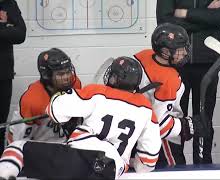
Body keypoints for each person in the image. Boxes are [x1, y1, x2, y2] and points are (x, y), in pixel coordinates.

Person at [0, 56, 162, 179]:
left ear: (112, 77)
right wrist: (131, 161)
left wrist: (71, 118)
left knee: (18, 147)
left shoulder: (96, 92)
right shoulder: (147, 110)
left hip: (78, 158)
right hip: (110, 170)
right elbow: (147, 164)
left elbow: (55, 110)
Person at [156, 0, 220, 164]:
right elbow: (164, 22)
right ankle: (175, 164)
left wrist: (184, 13)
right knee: (174, 118)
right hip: (176, 64)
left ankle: (203, 164)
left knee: (204, 119)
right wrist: (206, 20)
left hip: (208, 64)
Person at [134, 23, 204, 168]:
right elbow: (159, 125)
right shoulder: (169, 80)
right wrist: (187, 126)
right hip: (160, 140)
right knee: (175, 168)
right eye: (180, 50)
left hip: (136, 131)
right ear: (165, 52)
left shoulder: (143, 55)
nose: (185, 53)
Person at [7, 48, 82, 144]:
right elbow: (18, 141)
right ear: (47, 75)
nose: (67, 77)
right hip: (40, 145)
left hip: (64, 143)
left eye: (68, 71)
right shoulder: (32, 101)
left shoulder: (75, 84)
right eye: (60, 74)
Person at [0, 0, 26, 155]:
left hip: (3, 75)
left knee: (2, 124)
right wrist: (4, 26)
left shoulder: (9, 4)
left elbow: (20, 34)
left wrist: (3, 26)